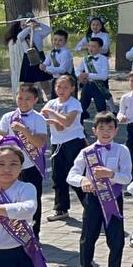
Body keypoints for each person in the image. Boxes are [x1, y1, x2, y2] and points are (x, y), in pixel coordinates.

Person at [68, 112, 132, 267]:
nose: (106, 132)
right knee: (87, 239)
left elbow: (127, 177)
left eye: (110, 128)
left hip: (113, 199)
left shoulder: (122, 150)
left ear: (116, 130)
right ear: (94, 130)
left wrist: (111, 174)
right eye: (101, 128)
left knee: (116, 240)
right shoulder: (86, 152)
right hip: (93, 200)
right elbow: (71, 175)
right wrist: (83, 181)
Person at [0, 84, 48, 236]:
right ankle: (12, 231)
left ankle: (33, 233)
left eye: (28, 99)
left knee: (33, 199)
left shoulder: (38, 118)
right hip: (10, 166)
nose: (23, 102)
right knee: (10, 197)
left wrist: (24, 130)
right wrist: (3, 141)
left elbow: (40, 143)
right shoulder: (8, 117)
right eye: (20, 98)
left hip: (31, 165)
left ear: (35, 100)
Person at [42, 74, 85, 222]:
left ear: (72, 89)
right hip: (57, 143)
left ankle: (90, 207)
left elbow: (67, 122)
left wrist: (53, 114)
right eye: (59, 87)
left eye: (65, 87)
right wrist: (54, 122)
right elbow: (42, 116)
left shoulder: (74, 104)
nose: (61, 90)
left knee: (77, 175)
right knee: (58, 176)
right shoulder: (51, 102)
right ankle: (61, 208)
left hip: (73, 142)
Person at [13, 19, 52, 95]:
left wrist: (38, 24)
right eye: (23, 25)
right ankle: (27, 98)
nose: (25, 26)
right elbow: (20, 37)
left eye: (27, 23)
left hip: (40, 57)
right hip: (28, 58)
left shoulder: (38, 33)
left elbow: (49, 30)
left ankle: (49, 98)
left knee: (44, 82)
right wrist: (29, 27)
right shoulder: (22, 35)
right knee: (28, 84)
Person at [75, 36, 112, 115]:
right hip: (87, 85)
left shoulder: (103, 59)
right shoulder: (85, 59)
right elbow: (78, 70)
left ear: (100, 48)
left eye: (94, 46)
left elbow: (104, 76)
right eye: (89, 46)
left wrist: (88, 75)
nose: (90, 48)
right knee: (81, 107)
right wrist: (79, 76)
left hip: (98, 86)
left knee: (101, 109)